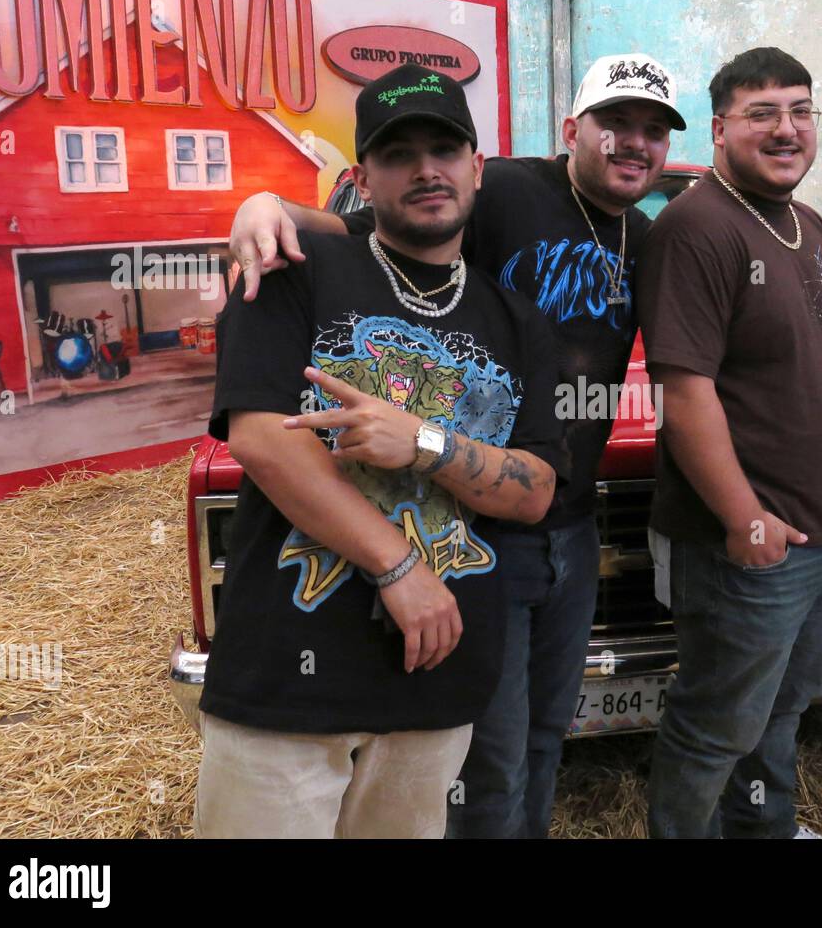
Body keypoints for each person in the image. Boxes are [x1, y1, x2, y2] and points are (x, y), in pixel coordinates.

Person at [223, 54, 685, 837]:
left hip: (567, 520)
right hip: (470, 533)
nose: (632, 144)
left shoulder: (645, 236)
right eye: (614, 125)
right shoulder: (498, 187)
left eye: (651, 130)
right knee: (485, 759)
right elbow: (372, 228)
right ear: (573, 131)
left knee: (543, 738)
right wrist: (266, 204)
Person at [195, 64, 567, 838]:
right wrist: (397, 567)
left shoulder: (520, 322)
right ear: (362, 177)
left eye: (445, 148)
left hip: (436, 678)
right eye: (399, 154)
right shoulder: (296, 269)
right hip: (286, 676)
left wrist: (425, 443)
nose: (427, 169)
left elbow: (534, 490)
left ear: (477, 167)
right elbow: (260, 437)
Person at [636, 47, 822, 839]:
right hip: (753, 542)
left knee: (786, 704)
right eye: (762, 113)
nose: (786, 128)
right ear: (722, 127)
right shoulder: (698, 227)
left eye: (800, 110)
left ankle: (763, 827)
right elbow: (685, 387)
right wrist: (744, 519)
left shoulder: (811, 223)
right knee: (714, 726)